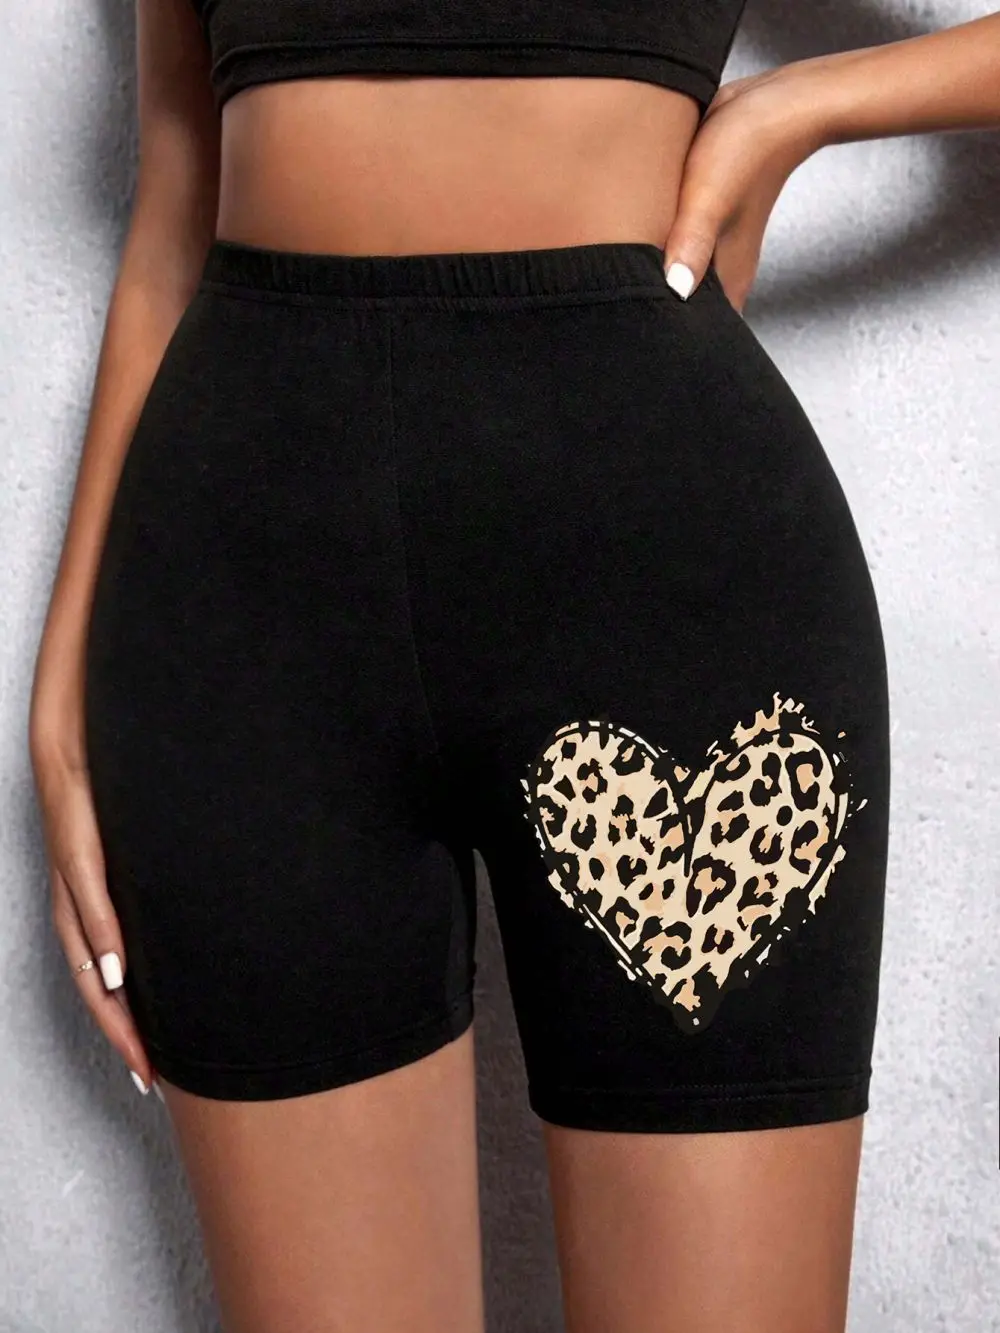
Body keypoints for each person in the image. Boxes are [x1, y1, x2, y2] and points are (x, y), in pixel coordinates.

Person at [26, 1, 1000, 1328]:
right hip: (239, 625)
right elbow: (175, 193)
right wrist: (64, 684)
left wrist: (801, 107)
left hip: (678, 620)